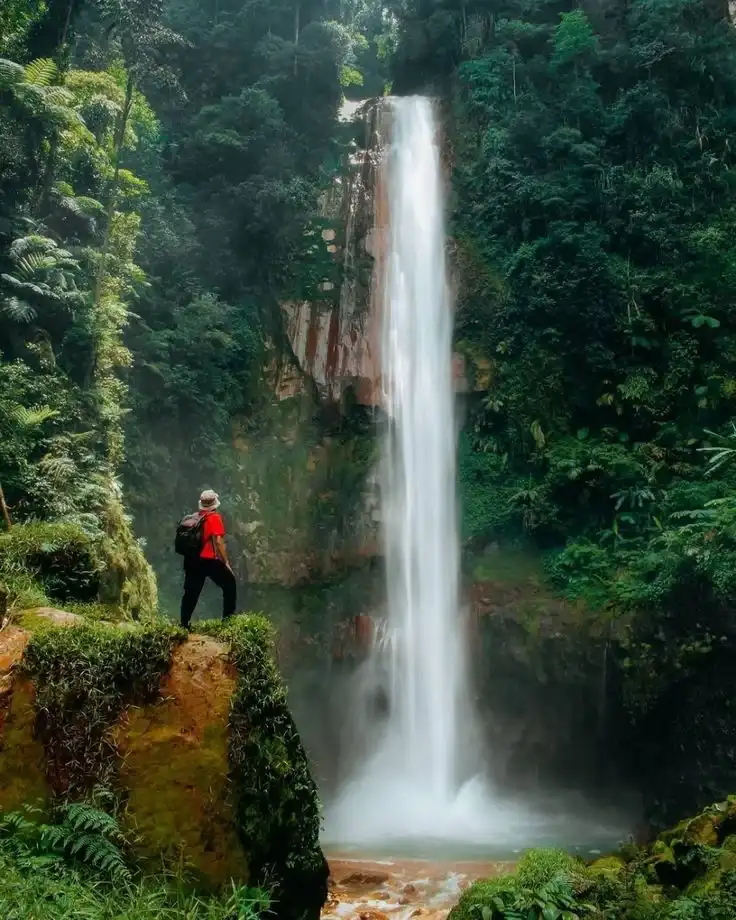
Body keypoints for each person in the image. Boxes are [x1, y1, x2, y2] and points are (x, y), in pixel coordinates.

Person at [180, 489, 236, 629]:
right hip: (207, 560)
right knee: (230, 584)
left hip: (191, 560)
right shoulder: (214, 517)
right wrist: (226, 562)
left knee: (191, 592)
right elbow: (218, 542)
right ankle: (228, 622)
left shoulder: (196, 517)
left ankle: (184, 625)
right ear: (214, 505)